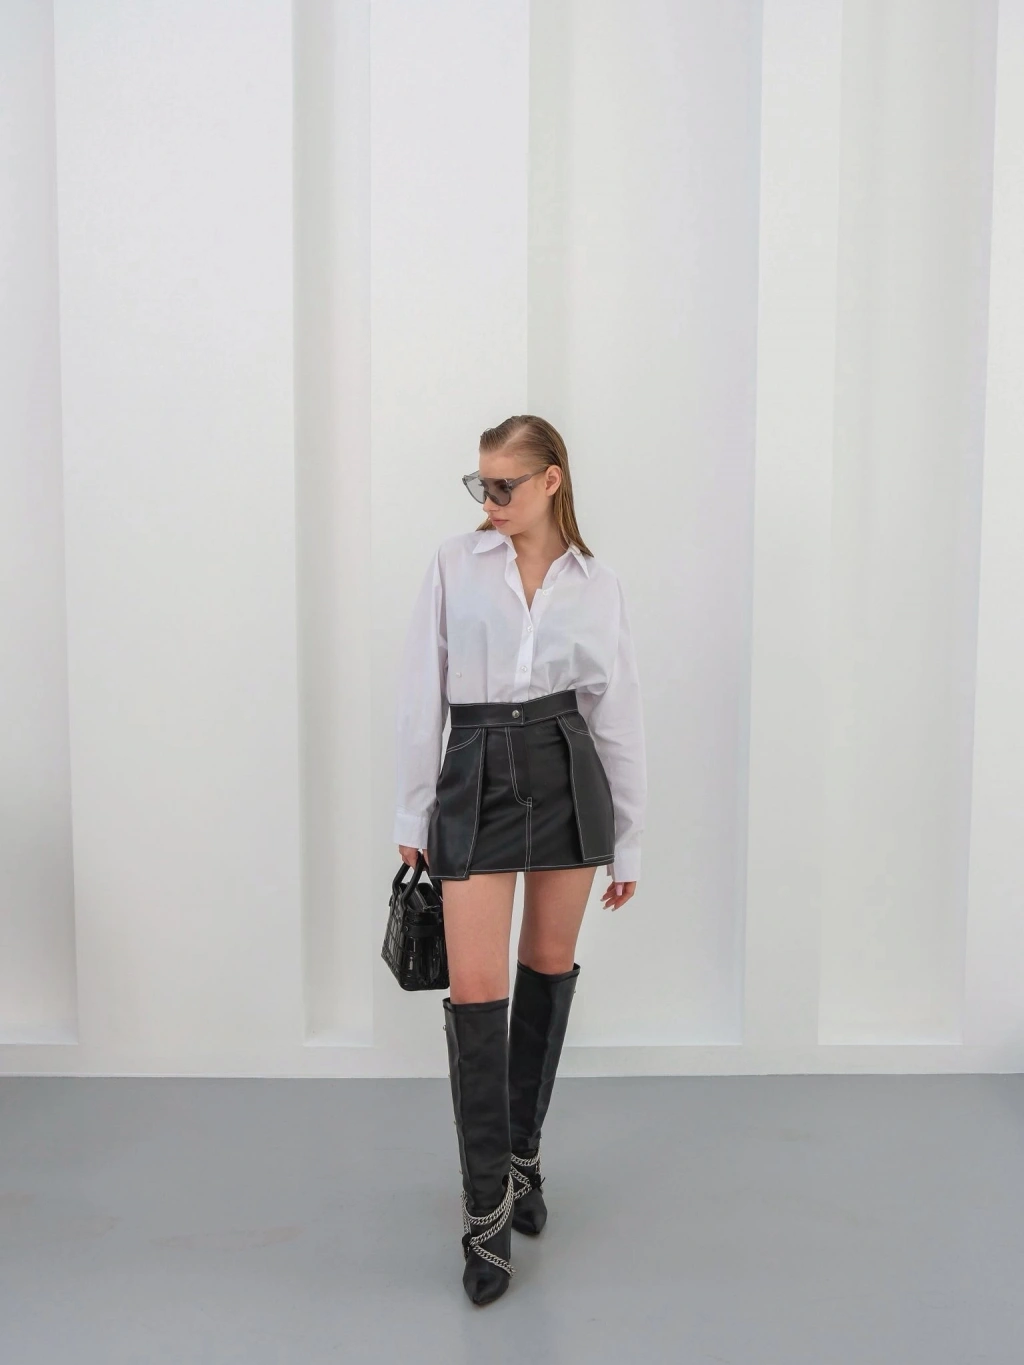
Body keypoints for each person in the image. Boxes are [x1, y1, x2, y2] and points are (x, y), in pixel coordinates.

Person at [392, 414, 647, 1306]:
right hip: (474, 770)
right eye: (481, 484)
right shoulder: (453, 565)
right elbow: (420, 689)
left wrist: (629, 836)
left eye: (504, 484)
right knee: (474, 991)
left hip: (567, 769)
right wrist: (413, 809)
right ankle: (484, 1211)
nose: (490, 499)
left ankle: (522, 1157)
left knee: (545, 966)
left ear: (551, 481)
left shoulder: (598, 584)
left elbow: (616, 710)